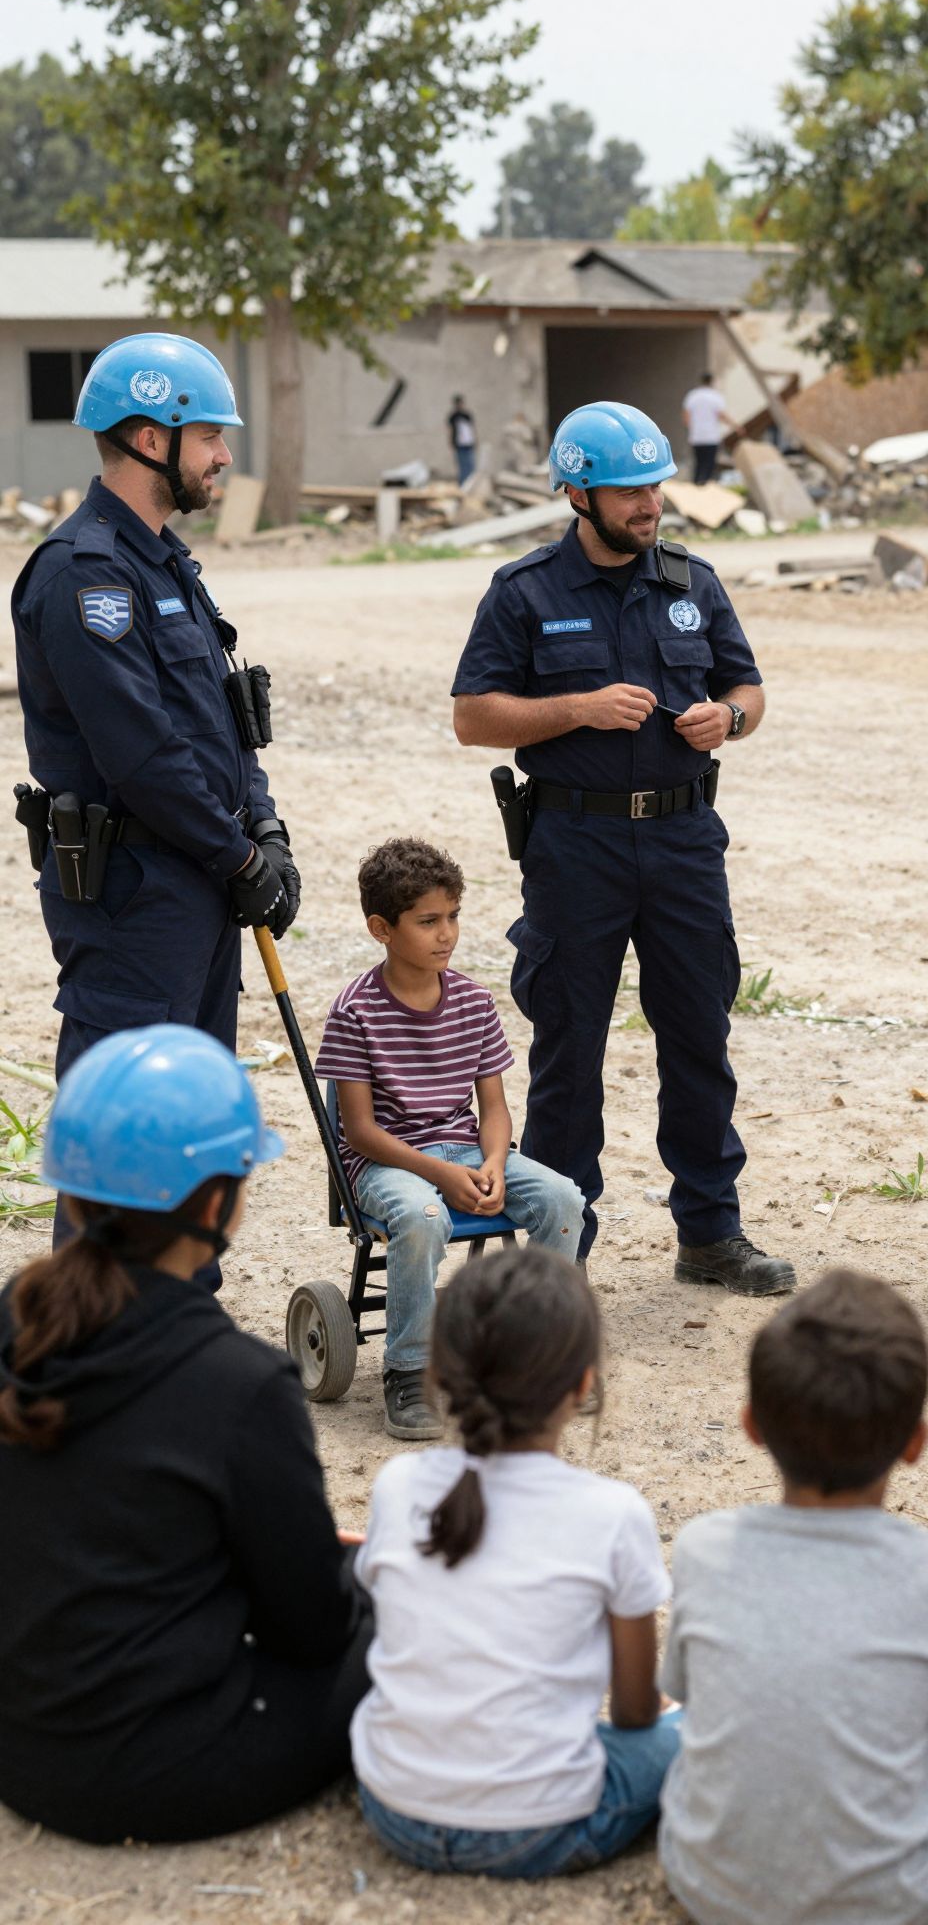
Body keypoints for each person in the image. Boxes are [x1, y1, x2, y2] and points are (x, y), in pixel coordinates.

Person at [451, 400, 794, 1297]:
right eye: (629, 491)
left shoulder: (693, 582)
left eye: (656, 487)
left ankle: (711, 1235)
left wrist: (731, 719)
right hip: (576, 844)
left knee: (699, 1036)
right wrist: (578, 708)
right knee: (570, 1048)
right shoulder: (525, 592)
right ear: (578, 494)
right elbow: (473, 716)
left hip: (684, 841)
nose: (649, 505)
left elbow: (749, 688)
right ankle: (559, 1250)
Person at [0, 1025, 370, 1845]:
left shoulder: (17, 1314)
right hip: (155, 1774)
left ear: (73, 1193)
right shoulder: (240, 1383)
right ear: (215, 1205)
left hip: (18, 1744)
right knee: (392, 1613)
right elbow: (311, 1628)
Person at [11, 332, 297, 1275]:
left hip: (200, 883)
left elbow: (225, 724)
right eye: (210, 436)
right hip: (133, 895)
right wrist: (238, 856)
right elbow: (141, 755)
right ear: (148, 438)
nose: (224, 456)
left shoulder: (167, 563)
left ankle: (179, 1319)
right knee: (124, 1131)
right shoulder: (83, 573)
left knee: (195, 1120)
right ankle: (96, 1340)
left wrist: (263, 827)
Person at [659, 1269, 928, 1925]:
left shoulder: (702, 1548)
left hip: (707, 1888)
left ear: (752, 1427)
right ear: (916, 1444)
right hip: (892, 1907)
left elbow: (689, 1701)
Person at [351, 1248, 680, 1879]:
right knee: (687, 1733)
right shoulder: (613, 1513)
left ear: (439, 1375)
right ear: (583, 1386)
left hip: (394, 1807)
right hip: (536, 1831)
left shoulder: (398, 1485)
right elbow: (635, 1713)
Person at [313, 837, 584, 1441]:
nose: (446, 935)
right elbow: (359, 1130)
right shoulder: (355, 1011)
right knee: (422, 1215)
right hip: (386, 1164)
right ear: (382, 928)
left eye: (453, 916)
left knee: (565, 1199)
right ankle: (409, 1370)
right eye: (428, 921)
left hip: (465, 1150)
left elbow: (495, 1109)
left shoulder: (473, 1001)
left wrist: (494, 1163)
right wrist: (440, 1174)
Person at [681, 370, 732, 486]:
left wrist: (692, 429)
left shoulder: (692, 395)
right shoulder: (716, 396)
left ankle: (696, 486)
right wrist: (735, 426)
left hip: (697, 437)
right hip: (711, 436)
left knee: (699, 464)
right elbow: (721, 415)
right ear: (712, 381)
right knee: (709, 465)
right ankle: (706, 487)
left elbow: (686, 416)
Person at [447, 395, 478, 486]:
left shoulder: (467, 415)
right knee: (462, 465)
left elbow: (472, 428)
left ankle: (471, 483)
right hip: (459, 445)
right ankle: (463, 484)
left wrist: (475, 439)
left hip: (468, 443)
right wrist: (451, 441)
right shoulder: (453, 416)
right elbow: (450, 430)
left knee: (470, 464)